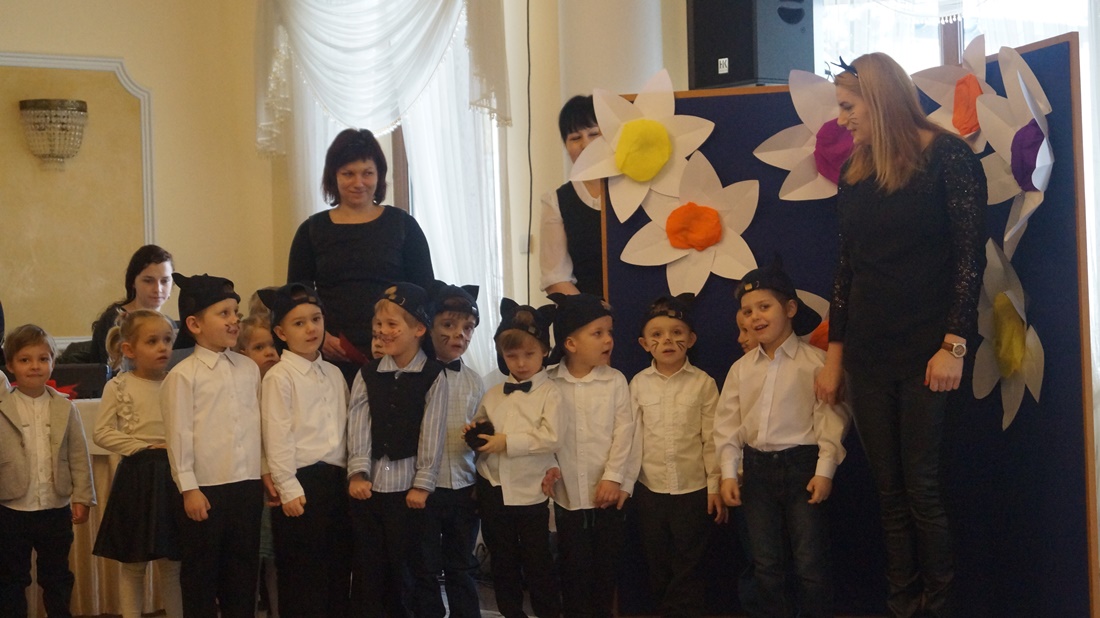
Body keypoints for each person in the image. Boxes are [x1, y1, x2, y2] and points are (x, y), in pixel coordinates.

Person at [815, 52, 986, 617]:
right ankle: (901, 604)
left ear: (880, 99)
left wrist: (954, 344)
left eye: (848, 107)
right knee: (888, 494)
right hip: (867, 355)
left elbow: (970, 260)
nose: (841, 119)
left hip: (927, 353)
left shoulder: (948, 157)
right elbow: (847, 270)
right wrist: (835, 359)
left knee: (923, 489)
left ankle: (938, 606)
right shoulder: (854, 171)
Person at [714, 261, 849, 618]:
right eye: (747, 311)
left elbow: (831, 419)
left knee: (810, 562)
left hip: (802, 468)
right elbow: (727, 425)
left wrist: (825, 470)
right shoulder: (740, 369)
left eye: (764, 306)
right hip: (756, 472)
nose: (755, 317)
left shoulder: (816, 362)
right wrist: (728, 472)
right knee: (766, 563)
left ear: (790, 309)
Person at [288, 128, 435, 383]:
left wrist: (399, 340)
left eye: (367, 173)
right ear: (333, 176)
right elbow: (295, 300)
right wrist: (321, 338)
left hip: (397, 357)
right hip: (332, 357)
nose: (359, 183)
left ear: (379, 176)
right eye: (348, 174)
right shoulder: (310, 231)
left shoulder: (404, 225)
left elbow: (425, 293)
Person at [161, 273, 264, 618]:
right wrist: (189, 488)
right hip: (205, 490)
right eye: (223, 313)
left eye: (236, 312)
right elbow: (178, 436)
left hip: (246, 486)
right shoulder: (183, 375)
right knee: (201, 576)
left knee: (243, 574)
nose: (234, 320)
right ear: (194, 324)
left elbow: (256, 427)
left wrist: (263, 473)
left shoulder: (248, 369)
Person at [346, 283, 449, 617]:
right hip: (371, 489)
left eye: (392, 324)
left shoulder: (433, 376)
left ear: (419, 329)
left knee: (411, 567)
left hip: (409, 492)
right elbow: (358, 424)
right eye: (379, 324)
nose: (382, 331)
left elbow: (432, 432)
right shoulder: (368, 374)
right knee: (371, 567)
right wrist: (358, 473)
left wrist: (422, 484)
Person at [259, 283, 352, 617]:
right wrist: (287, 486)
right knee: (302, 575)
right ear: (281, 332)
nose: (311, 328)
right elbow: (277, 434)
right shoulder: (279, 377)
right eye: (299, 323)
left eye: (316, 319)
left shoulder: (335, 373)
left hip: (336, 481)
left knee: (337, 568)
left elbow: (345, 427)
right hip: (301, 484)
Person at [543, 292, 638, 617]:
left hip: (605, 496)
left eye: (609, 332)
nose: (608, 340)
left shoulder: (615, 381)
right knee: (572, 572)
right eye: (597, 333)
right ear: (570, 343)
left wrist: (613, 478)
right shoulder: (548, 382)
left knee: (605, 572)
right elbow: (543, 435)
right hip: (567, 497)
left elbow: (624, 433)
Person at [630, 294, 724, 617]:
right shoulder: (637, 385)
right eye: (656, 334)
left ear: (691, 339)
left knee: (690, 562)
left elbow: (712, 440)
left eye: (676, 332)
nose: (667, 340)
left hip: (693, 489)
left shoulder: (704, 384)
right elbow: (631, 438)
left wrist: (715, 487)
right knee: (657, 560)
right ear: (644, 344)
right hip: (650, 489)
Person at [468, 298, 562, 618]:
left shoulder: (551, 393)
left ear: (544, 351)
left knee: (538, 561)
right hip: (493, 487)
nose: (521, 363)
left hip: (530, 490)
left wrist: (507, 442)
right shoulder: (493, 393)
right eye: (512, 356)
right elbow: (481, 430)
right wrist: (474, 433)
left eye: (529, 354)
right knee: (502, 560)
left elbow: (552, 436)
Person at [0, 324, 96, 618]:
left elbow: (78, 455)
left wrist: (83, 497)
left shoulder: (65, 408)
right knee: (11, 577)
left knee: (57, 576)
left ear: (53, 362)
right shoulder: (2, 407)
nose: (35, 366)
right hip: (11, 508)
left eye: (43, 359)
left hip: (55, 507)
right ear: (10, 365)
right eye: (25, 360)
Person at [93, 310, 183, 618]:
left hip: (174, 477)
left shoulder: (177, 382)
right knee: (133, 564)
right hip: (137, 477)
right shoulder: (118, 387)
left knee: (173, 563)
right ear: (129, 349)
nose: (163, 347)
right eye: (152, 341)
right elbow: (102, 432)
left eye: (167, 340)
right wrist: (141, 447)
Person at [413, 282, 486, 617]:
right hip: (425, 487)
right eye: (449, 325)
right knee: (424, 564)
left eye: (468, 328)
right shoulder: (414, 375)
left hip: (463, 485)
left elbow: (480, 436)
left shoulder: (474, 380)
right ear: (429, 326)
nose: (459, 334)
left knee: (461, 564)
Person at [233, 312, 281, 616]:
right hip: (252, 483)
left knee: (276, 560)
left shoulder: (282, 384)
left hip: (281, 482)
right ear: (241, 354)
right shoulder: (244, 392)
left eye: (273, 346)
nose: (270, 353)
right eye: (260, 347)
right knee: (251, 559)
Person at [540, 95, 606, 297]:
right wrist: (593, 311)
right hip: (585, 312)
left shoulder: (636, 189)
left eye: (594, 134)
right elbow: (555, 277)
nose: (586, 144)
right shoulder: (557, 201)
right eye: (575, 138)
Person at [90, 245, 174, 367]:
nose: (158, 289)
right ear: (133, 282)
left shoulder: (169, 323)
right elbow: (106, 370)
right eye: (148, 281)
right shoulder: (113, 320)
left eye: (165, 281)